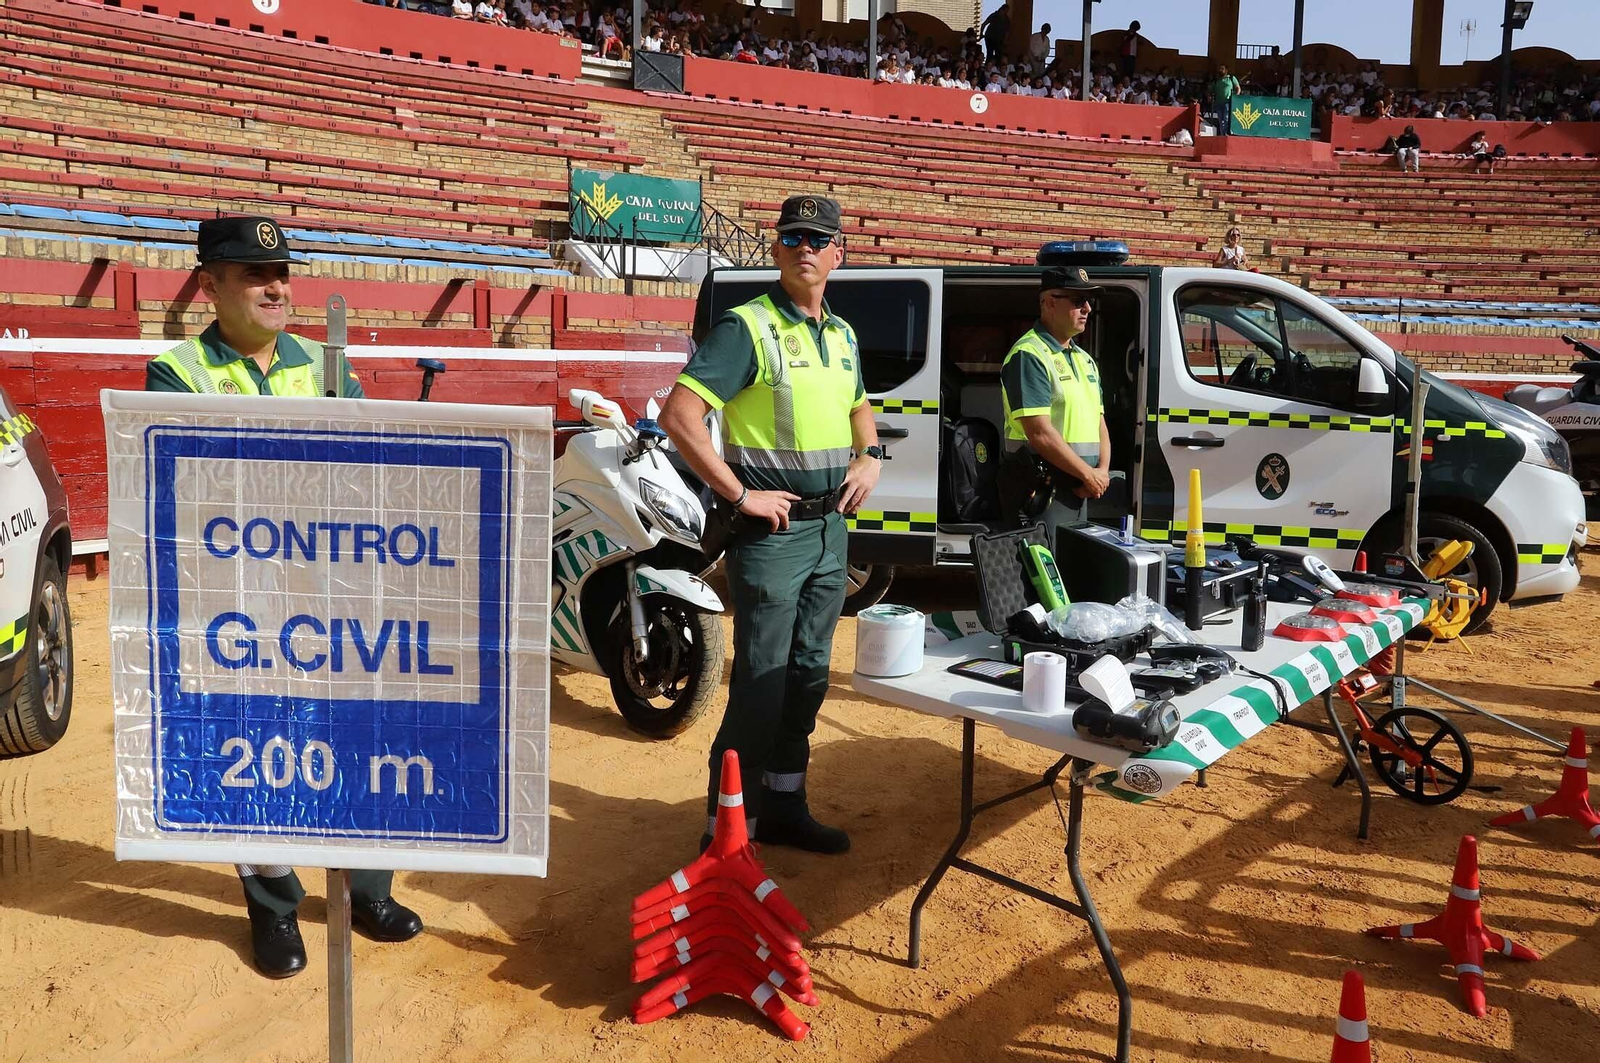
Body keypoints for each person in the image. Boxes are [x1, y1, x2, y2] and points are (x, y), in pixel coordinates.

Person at [144, 217, 424, 978]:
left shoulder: (324, 359)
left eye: (283, 272)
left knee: (360, 734)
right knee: (247, 745)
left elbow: (366, 467)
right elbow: (194, 484)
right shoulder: (176, 371)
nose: (276, 287)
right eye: (252, 274)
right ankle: (272, 904)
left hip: (332, 593)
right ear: (210, 285)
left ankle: (366, 887)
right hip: (233, 600)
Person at [659, 195, 880, 857]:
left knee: (809, 674)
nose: (803, 247)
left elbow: (861, 410)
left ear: (839, 253)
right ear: (776, 249)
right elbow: (680, 416)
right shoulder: (747, 327)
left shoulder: (842, 336)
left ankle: (785, 804)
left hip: (828, 532)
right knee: (761, 683)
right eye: (791, 238)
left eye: (817, 238)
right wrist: (739, 494)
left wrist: (869, 457)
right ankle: (724, 831)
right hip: (773, 537)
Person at [998, 266, 1111, 535]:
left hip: (1081, 486)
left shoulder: (1085, 360)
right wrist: (1089, 474)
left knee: (1068, 571)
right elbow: (1039, 433)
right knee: (1041, 573)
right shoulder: (1030, 354)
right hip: (1041, 488)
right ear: (1049, 302)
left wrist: (1101, 472)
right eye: (1077, 301)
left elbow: (1099, 422)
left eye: (1089, 301)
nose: (1087, 309)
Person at [1212, 65, 1241, 134]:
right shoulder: (1216, 80)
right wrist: (1209, 96)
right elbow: (1210, 90)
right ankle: (1223, 135)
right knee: (1220, 120)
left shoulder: (1231, 78)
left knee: (1226, 119)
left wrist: (1236, 97)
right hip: (1218, 102)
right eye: (1219, 69)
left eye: (1222, 69)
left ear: (1226, 70)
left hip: (1227, 102)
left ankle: (1227, 134)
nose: (1220, 70)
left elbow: (1238, 88)